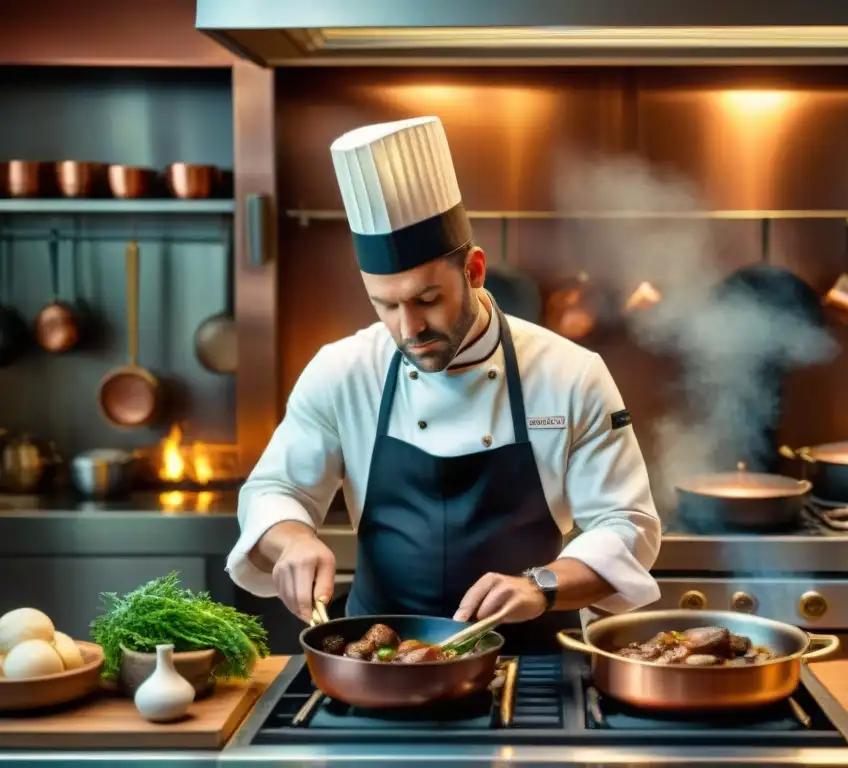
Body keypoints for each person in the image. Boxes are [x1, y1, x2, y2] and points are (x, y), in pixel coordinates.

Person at [226, 116, 662, 651]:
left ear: (475, 271)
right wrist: (292, 540)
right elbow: (275, 489)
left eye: (426, 300)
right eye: (385, 305)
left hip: (531, 660)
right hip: (375, 658)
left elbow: (627, 524)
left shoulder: (571, 373)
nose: (408, 329)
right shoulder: (342, 370)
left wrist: (541, 585)